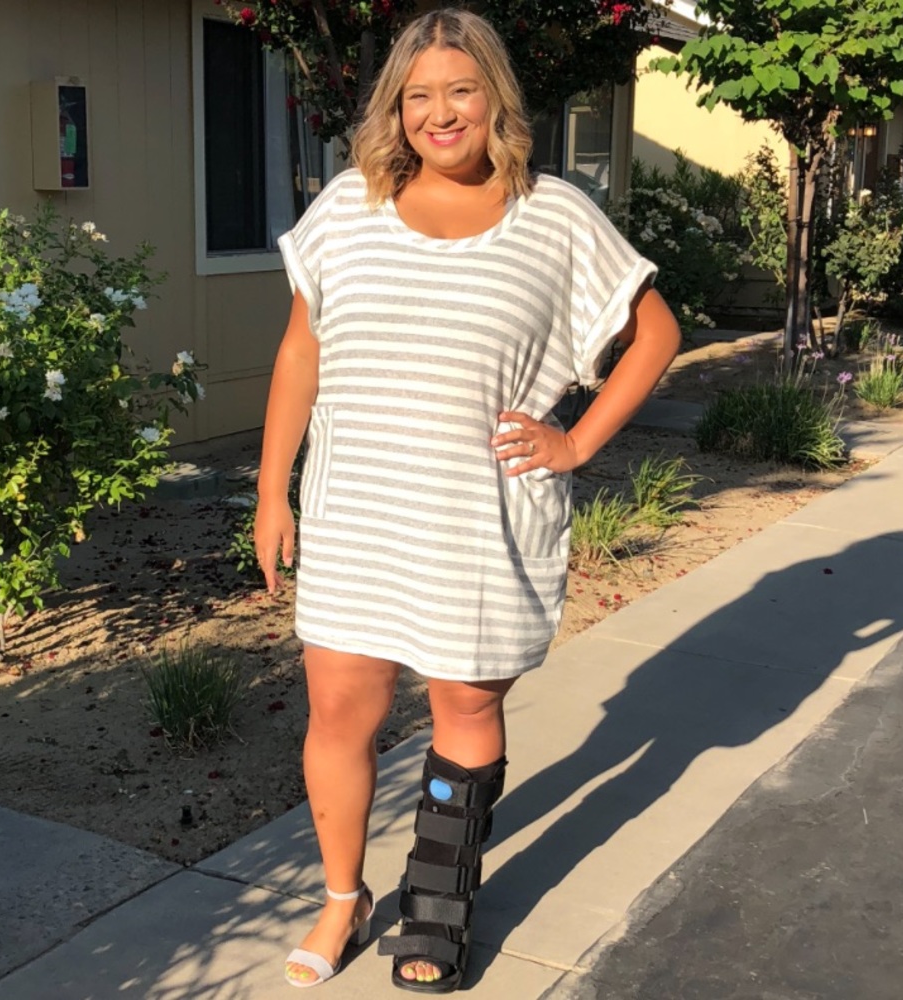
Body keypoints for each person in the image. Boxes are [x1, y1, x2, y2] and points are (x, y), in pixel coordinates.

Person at [253, 8, 680, 992]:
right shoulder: (347, 209)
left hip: (481, 520)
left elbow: (654, 334)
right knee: (339, 713)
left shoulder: (554, 215)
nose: (438, 113)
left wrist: (573, 438)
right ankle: (340, 896)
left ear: (493, 98)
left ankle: (436, 907)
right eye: (417, 96)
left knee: (464, 702)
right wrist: (272, 490)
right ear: (393, 110)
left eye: (458, 90)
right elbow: (298, 351)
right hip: (358, 509)